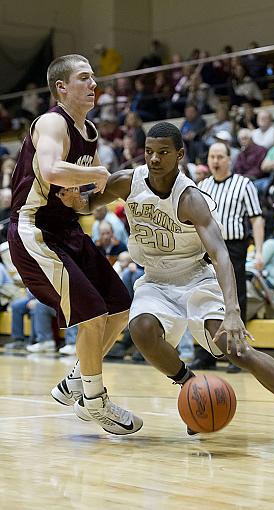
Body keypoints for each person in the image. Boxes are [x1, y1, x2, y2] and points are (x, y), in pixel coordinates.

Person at [59, 122, 274, 446]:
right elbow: (85, 204)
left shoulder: (190, 198)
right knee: (142, 330)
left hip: (196, 278)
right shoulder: (127, 181)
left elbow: (220, 255)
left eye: (163, 152)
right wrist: (70, 191)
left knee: (237, 350)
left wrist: (233, 311)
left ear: (180, 154)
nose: (155, 159)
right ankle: (191, 386)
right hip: (155, 280)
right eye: (149, 152)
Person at [7, 54, 142, 435]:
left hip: (66, 228)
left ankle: (75, 380)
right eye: (84, 78)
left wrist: (80, 199)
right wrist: (96, 172)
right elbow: (50, 170)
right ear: (61, 87)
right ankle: (94, 401)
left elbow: (79, 198)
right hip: (34, 230)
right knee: (93, 316)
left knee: (120, 307)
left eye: (94, 78)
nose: (94, 84)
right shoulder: (51, 122)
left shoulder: (90, 132)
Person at [190, 142, 264, 373]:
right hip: (206, 248)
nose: (215, 161)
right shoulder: (202, 185)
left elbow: (257, 219)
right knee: (206, 298)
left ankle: (237, 354)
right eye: (212, 156)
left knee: (235, 299)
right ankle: (206, 354)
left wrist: (259, 251)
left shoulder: (244, 184)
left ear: (229, 159)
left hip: (234, 248)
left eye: (220, 156)